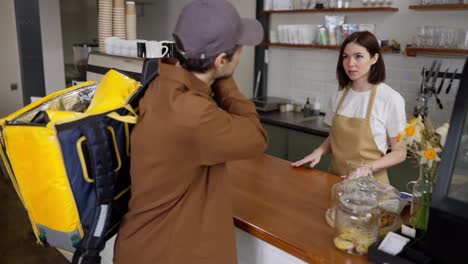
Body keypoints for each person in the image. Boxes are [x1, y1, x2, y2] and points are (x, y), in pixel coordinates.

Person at [113, 1, 268, 263]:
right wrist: (225, 80)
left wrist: (213, 73)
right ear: (220, 60)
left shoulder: (163, 84)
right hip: (166, 252)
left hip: (143, 244)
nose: (241, 53)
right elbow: (257, 136)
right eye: (238, 49)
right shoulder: (194, 117)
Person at [291, 31, 406, 184]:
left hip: (371, 187)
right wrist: (318, 151)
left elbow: (400, 152)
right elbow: (335, 137)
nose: (350, 63)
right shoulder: (338, 96)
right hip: (335, 181)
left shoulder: (390, 99)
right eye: (345, 56)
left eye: (358, 56)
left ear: (374, 58)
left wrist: (368, 168)